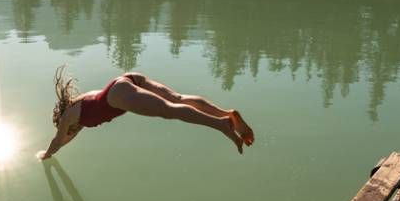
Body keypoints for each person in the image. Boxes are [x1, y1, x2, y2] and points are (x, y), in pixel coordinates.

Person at [38, 67, 254, 159]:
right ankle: (227, 114)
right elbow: (67, 139)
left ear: (62, 116)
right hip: (127, 79)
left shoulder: (69, 118)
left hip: (118, 96)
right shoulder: (79, 107)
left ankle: (222, 124)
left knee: (170, 110)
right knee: (178, 98)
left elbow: (58, 140)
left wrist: (45, 155)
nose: (69, 130)